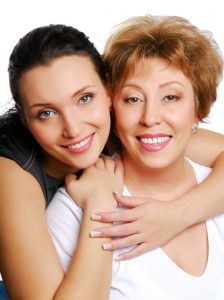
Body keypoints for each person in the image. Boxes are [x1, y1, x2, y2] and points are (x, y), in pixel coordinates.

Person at [0, 20, 224, 299]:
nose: (74, 128)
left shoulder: (130, 123)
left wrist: (174, 216)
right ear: (25, 119)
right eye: (46, 113)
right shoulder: (11, 176)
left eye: (84, 98)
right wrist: (100, 200)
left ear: (108, 93)